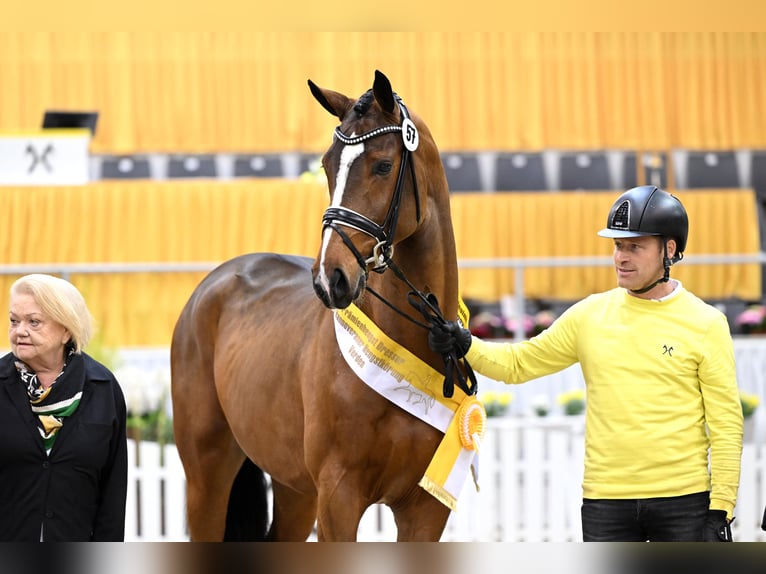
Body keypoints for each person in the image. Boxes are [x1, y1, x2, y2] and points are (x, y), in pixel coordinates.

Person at [429, 185, 744, 542]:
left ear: (669, 250)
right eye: (617, 246)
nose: (621, 258)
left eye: (634, 247)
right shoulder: (589, 315)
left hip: (684, 502)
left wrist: (721, 508)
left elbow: (726, 425)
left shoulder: (706, 323)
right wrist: (465, 344)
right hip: (605, 502)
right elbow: (519, 364)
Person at [0, 274, 128, 541]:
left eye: (34, 322)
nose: (20, 331)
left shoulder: (102, 387)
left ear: (66, 330)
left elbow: (112, 492)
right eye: (14, 321)